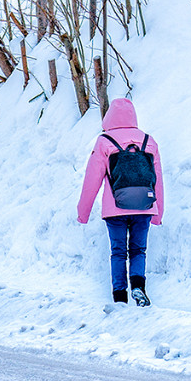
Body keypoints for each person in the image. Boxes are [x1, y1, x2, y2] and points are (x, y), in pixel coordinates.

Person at [76, 97, 164, 305]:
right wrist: (157, 212)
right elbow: (157, 179)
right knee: (138, 250)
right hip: (144, 205)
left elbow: (92, 179)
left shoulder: (104, 141)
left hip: (115, 208)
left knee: (118, 252)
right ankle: (138, 287)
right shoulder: (148, 141)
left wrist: (83, 213)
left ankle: (119, 297)